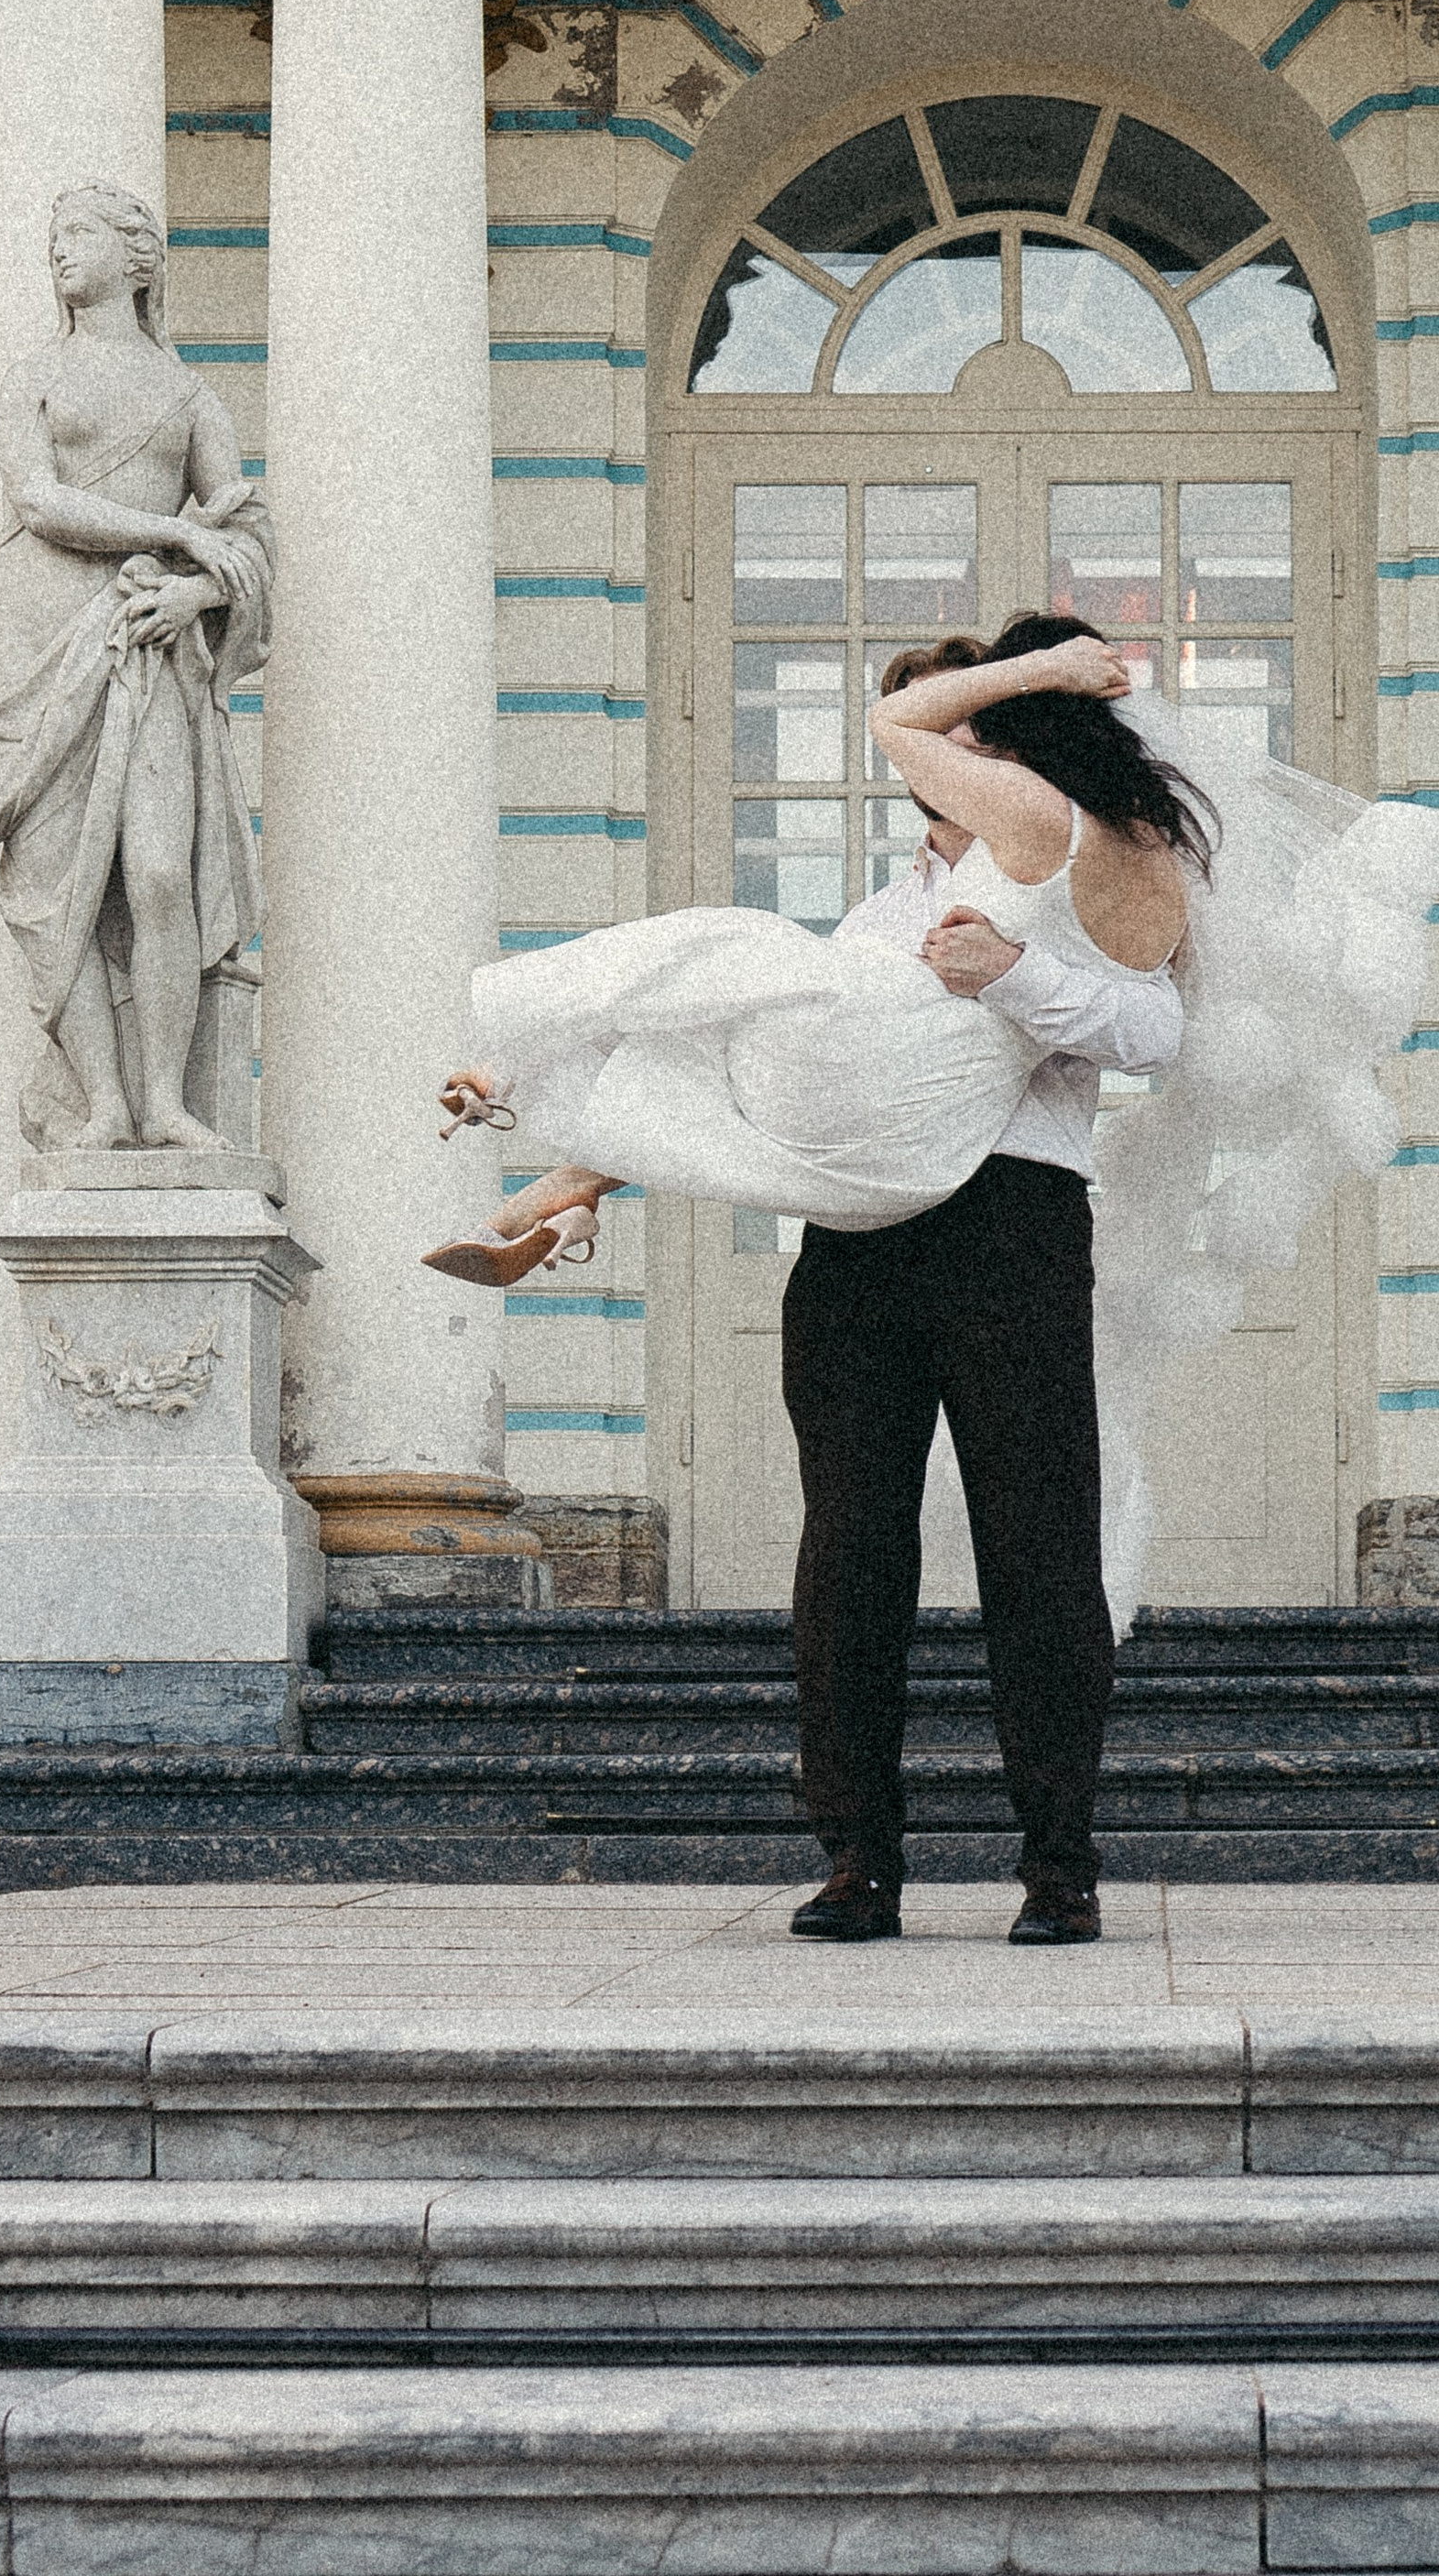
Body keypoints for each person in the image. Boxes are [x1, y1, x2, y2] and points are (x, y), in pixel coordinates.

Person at [424, 613, 1207, 1948]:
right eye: (927, 726)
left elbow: (1158, 1030)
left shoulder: (1078, 856)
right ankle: (858, 1860)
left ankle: (1059, 1864)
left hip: (1011, 1225)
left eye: (958, 719)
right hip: (857, 1243)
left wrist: (1018, 980)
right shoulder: (875, 913)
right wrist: (608, 1163)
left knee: (1039, 1549)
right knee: (847, 1553)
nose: (935, 748)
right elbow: (797, 1100)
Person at [0, 182, 272, 1152]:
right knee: (63, 892)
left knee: (162, 874)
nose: (60, 252)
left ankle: (168, 1100)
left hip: (149, 644)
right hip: (36, 641)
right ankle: (105, 1104)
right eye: (54, 237)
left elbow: (248, 530)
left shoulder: (187, 395)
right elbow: (40, 501)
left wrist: (197, 596)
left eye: (79, 234)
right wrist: (173, 530)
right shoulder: (32, 379)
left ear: (137, 258)